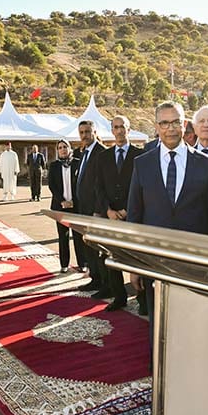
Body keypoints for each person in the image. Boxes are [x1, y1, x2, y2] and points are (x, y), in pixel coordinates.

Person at [128, 100, 208, 358]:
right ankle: (159, 369)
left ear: (185, 124)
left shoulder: (206, 164)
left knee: (194, 324)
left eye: (175, 122)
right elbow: (134, 217)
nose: (170, 128)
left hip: (194, 264)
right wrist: (133, 265)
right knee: (158, 324)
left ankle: (192, 369)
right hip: (154, 264)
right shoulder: (142, 164)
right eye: (164, 123)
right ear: (156, 126)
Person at [94, 115, 144, 311]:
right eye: (116, 127)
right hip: (111, 217)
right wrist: (108, 210)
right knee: (112, 258)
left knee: (136, 258)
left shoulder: (141, 156)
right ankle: (119, 297)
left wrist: (128, 210)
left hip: (134, 216)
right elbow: (99, 187)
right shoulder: (103, 157)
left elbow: (143, 187)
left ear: (129, 129)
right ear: (112, 131)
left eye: (123, 126)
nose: (119, 130)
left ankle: (142, 299)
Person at [73, 120, 107, 292]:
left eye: (87, 132)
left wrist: (98, 210)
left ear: (94, 132)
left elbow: (103, 185)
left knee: (99, 249)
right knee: (88, 247)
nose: (84, 135)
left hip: (95, 211)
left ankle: (105, 284)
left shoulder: (102, 153)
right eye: (81, 132)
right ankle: (95, 278)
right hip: (83, 209)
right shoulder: (84, 153)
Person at [48, 139, 84, 273]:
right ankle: (64, 264)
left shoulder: (78, 163)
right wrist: (62, 201)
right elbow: (52, 186)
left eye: (65, 147)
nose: (62, 149)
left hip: (76, 206)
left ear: (70, 149)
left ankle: (82, 263)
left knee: (78, 237)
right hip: (60, 206)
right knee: (63, 236)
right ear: (57, 151)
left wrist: (74, 201)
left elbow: (82, 184)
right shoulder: (54, 166)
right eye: (60, 148)